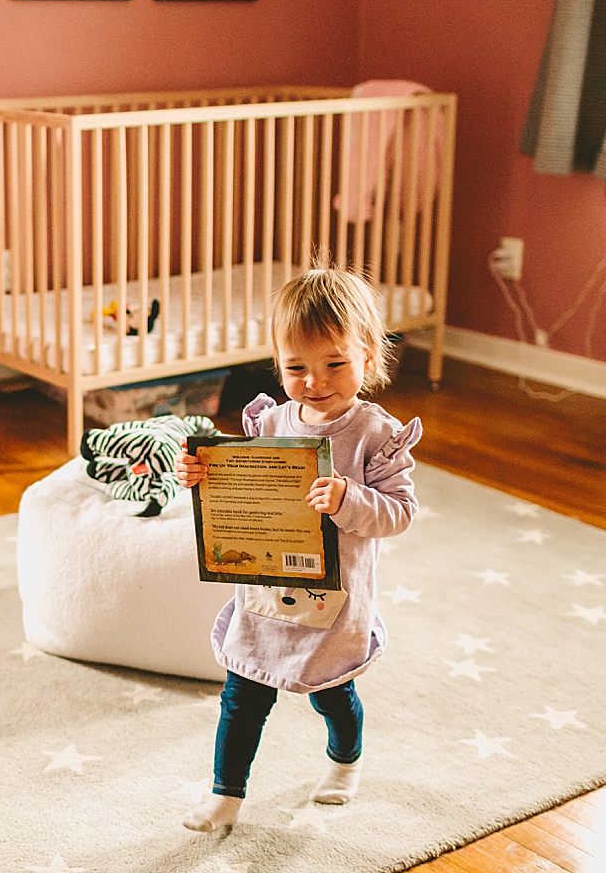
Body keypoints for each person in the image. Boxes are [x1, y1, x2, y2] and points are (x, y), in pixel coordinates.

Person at [176, 268, 422, 832]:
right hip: (265, 593)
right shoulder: (271, 421)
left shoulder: (375, 436)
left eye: (334, 364)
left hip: (332, 605)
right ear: (277, 362)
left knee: (332, 695)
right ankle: (226, 795)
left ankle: (345, 760)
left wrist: (347, 499)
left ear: (366, 353)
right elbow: (248, 484)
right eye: (296, 367)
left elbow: (400, 513)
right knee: (242, 697)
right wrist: (206, 475)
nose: (315, 381)